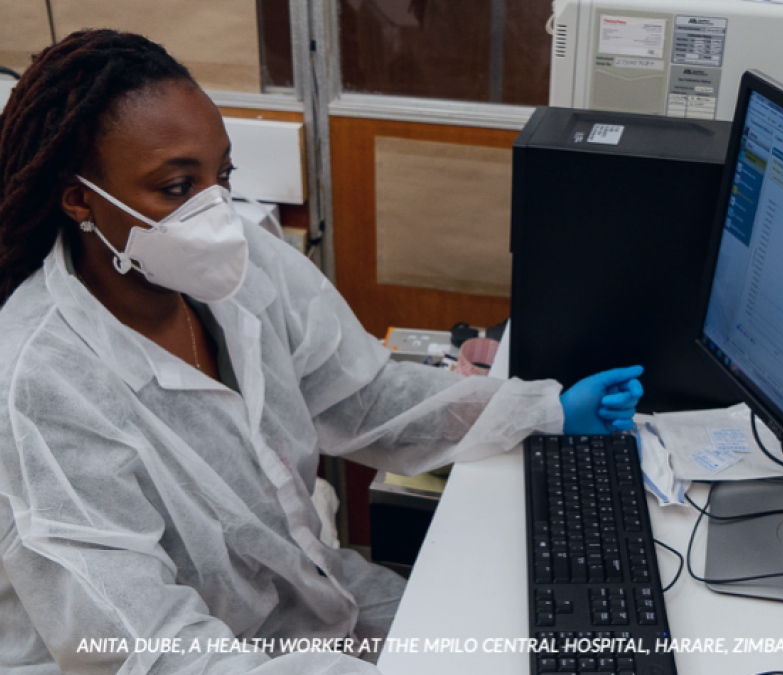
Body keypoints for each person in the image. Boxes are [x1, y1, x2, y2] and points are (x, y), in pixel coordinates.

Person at [0, 30, 644, 674]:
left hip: (312, 605)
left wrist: (540, 411)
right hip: (199, 657)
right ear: (79, 196)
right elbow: (141, 645)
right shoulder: (42, 382)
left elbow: (367, 399)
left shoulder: (242, 270)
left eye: (221, 176)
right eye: (175, 188)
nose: (213, 212)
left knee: (527, 641)